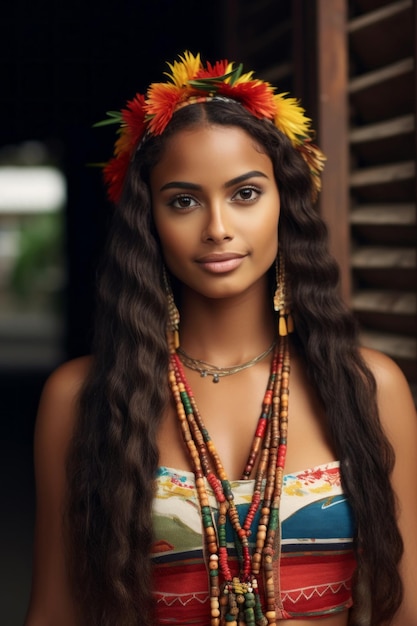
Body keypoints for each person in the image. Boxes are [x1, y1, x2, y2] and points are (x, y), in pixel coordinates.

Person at [25, 51, 417, 626]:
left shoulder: (369, 387)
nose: (217, 227)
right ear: (148, 219)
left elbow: (402, 612)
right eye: (183, 201)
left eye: (245, 194)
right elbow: (56, 612)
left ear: (286, 202)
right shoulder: (80, 397)